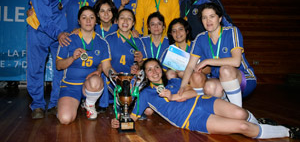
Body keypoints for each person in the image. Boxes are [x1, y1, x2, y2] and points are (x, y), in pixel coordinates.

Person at [111, 58, 299, 139]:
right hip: (192, 119)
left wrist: (176, 95)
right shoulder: (146, 94)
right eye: (149, 69)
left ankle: (263, 125)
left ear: (162, 69)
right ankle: (287, 132)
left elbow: (197, 91)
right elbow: (132, 118)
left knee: (241, 113)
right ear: (144, 73)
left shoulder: (175, 82)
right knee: (241, 126)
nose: (154, 71)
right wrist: (118, 121)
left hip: (205, 101)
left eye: (156, 67)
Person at [26, 0, 76, 119]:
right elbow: (45, 18)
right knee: (36, 68)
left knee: (60, 67)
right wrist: (59, 33)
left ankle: (55, 103)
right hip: (39, 28)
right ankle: (37, 105)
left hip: (61, 29)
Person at [179, 3, 256, 107]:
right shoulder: (200, 38)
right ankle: (226, 106)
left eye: (212, 16)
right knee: (209, 87)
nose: (208, 21)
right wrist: (183, 86)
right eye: (204, 17)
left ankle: (238, 111)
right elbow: (190, 66)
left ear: (220, 18)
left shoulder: (232, 32)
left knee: (225, 70)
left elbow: (236, 61)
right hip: (219, 80)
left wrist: (207, 61)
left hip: (243, 79)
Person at [56, 6, 114, 123]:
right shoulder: (68, 39)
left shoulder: (102, 42)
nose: (88, 21)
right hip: (70, 86)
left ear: (96, 21)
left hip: (90, 85)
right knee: (65, 119)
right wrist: (72, 57)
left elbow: (107, 67)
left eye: (91, 17)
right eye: (84, 17)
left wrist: (118, 77)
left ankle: (90, 103)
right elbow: (58, 66)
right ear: (79, 21)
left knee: (96, 80)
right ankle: (68, 104)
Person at [160, 18, 208, 94]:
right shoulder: (169, 51)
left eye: (180, 29)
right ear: (171, 34)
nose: (177, 33)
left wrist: (189, 72)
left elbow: (208, 69)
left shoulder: (196, 46)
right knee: (170, 73)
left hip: (197, 79)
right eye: (174, 31)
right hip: (178, 82)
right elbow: (161, 72)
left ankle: (199, 99)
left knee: (196, 76)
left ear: (187, 31)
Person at [105, 8, 147, 74]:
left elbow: (143, 66)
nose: (125, 21)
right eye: (122, 18)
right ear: (117, 21)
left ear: (133, 23)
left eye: (129, 18)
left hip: (131, 80)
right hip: (111, 80)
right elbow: (103, 64)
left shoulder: (138, 41)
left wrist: (140, 62)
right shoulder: (108, 39)